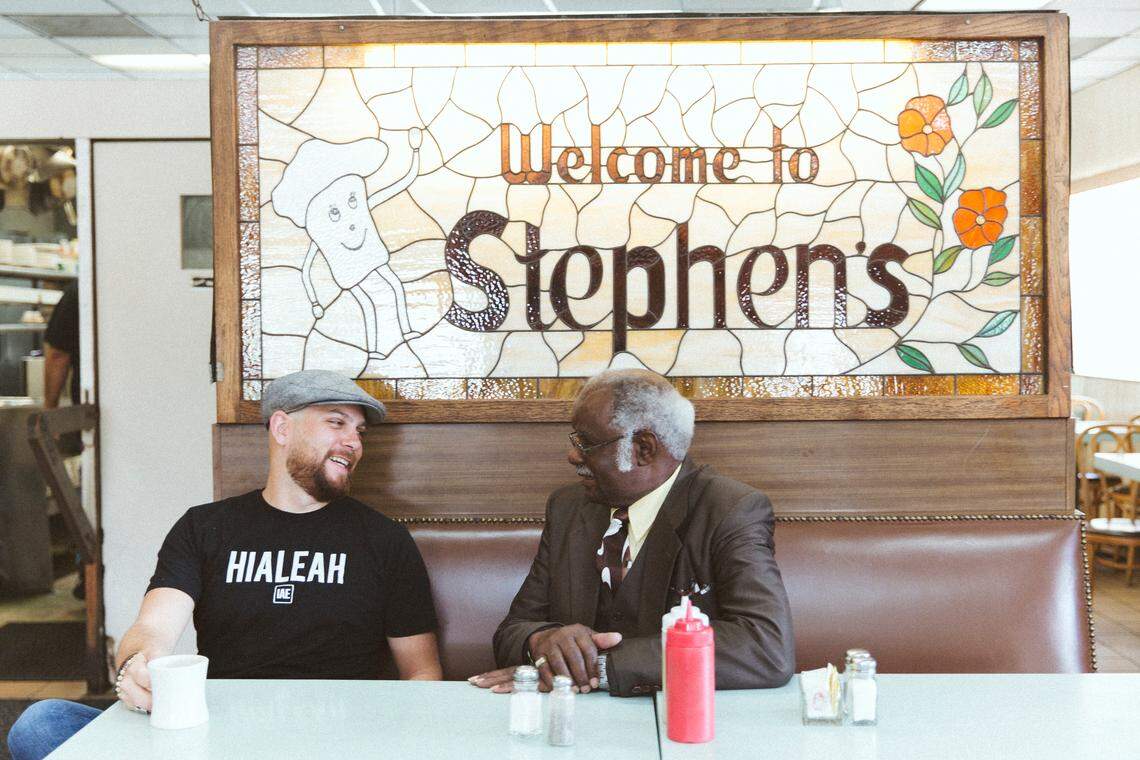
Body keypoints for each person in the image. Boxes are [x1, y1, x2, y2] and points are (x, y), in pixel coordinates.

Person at [8, 370, 442, 760]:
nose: (354, 442)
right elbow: (153, 629)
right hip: (217, 735)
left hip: (336, 740)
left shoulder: (383, 539)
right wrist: (136, 667)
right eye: (336, 423)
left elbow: (421, 672)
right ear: (281, 427)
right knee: (41, 724)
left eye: (359, 431)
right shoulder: (205, 528)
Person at [470, 368, 794, 697]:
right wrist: (541, 642)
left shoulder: (729, 510)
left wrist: (602, 667)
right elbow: (513, 630)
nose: (573, 455)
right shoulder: (568, 508)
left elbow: (765, 645)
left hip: (685, 729)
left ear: (643, 448)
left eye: (585, 443)